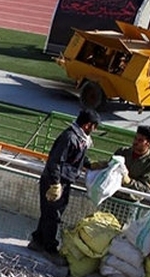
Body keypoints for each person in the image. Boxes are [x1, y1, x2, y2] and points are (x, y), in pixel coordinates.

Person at [29, 108, 100, 264]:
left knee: (49, 213)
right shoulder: (69, 138)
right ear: (88, 125)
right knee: (53, 215)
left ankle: (38, 241)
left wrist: (90, 164)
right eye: (94, 127)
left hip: (63, 180)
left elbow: (74, 158)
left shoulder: (78, 139)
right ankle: (49, 248)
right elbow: (55, 161)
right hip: (55, 181)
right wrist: (55, 183)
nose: (94, 130)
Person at [90, 125, 150, 194]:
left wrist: (129, 182)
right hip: (111, 192)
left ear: (149, 143)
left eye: (140, 140)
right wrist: (101, 165)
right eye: (135, 138)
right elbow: (109, 168)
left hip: (130, 198)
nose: (135, 142)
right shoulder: (122, 151)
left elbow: (144, 187)